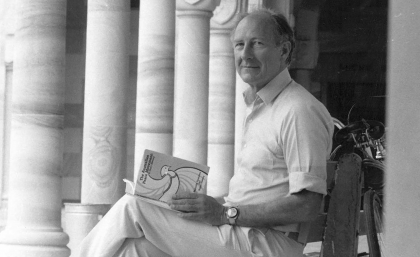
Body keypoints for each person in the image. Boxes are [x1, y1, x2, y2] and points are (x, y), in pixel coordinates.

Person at [79, 8, 334, 257]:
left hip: (267, 244)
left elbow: (307, 204)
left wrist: (224, 213)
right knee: (134, 250)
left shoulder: (298, 110)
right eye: (239, 45)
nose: (245, 54)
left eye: (257, 43)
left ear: (284, 50)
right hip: (244, 233)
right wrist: (211, 206)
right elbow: (260, 189)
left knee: (133, 207)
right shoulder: (263, 107)